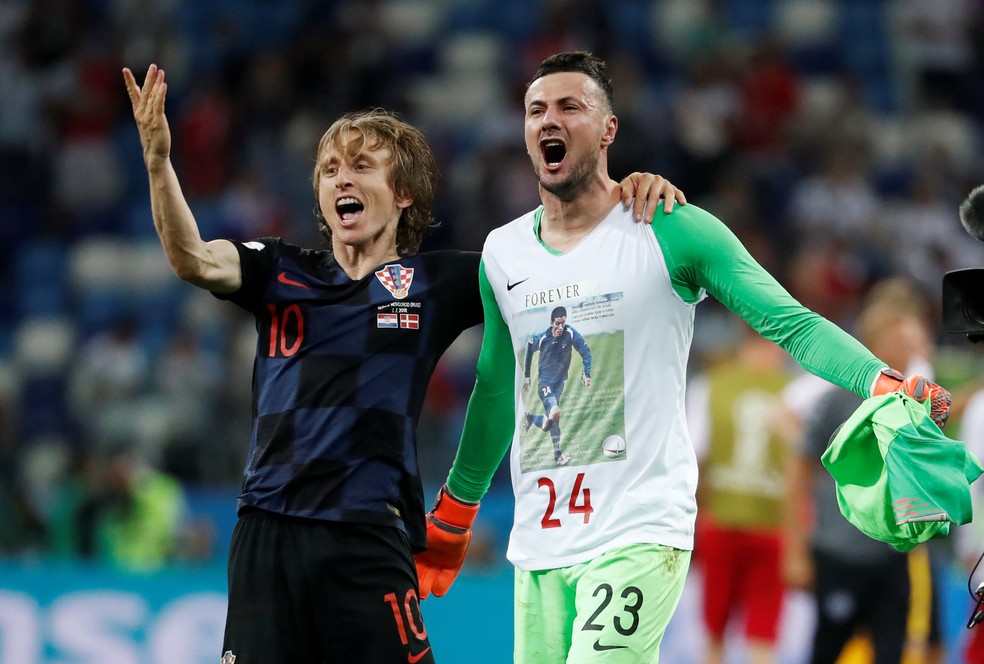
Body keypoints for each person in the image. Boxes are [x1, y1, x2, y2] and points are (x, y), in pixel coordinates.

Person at [122, 63, 684, 663]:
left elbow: (556, 254)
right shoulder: (279, 271)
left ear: (404, 192)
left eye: (363, 166)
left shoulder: (437, 281)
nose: (343, 179)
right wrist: (159, 163)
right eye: (331, 169)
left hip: (369, 536)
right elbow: (192, 260)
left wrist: (622, 193)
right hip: (268, 531)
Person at [413, 51, 952, 663]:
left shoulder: (671, 226)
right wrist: (455, 513)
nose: (548, 121)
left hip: (638, 531)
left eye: (570, 107)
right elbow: (495, 388)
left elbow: (790, 323)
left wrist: (878, 380)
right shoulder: (503, 251)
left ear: (608, 128)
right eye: (536, 110)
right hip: (540, 544)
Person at [783, 283, 942, 664]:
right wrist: (795, 551)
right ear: (876, 341)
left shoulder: (917, 404)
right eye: (902, 341)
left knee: (893, 653)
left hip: (893, 556)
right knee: (827, 652)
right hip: (840, 552)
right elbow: (798, 471)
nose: (912, 351)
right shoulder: (839, 397)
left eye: (916, 342)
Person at [686, 327, 793, 664]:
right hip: (771, 524)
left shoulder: (711, 386)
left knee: (715, 627)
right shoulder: (794, 391)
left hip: (722, 520)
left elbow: (694, 458)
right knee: (761, 631)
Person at [521, 305, 593, 467]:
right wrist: (527, 375)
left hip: (560, 383)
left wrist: (586, 373)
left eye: (563, 323)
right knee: (555, 412)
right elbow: (529, 349)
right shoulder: (542, 338)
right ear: (551, 322)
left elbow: (586, 352)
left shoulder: (570, 333)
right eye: (557, 323)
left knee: (548, 424)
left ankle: (532, 417)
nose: (561, 327)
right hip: (544, 383)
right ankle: (558, 455)